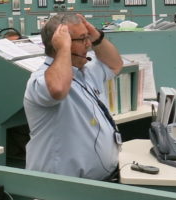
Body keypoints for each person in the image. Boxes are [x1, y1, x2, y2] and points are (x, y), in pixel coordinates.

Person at [23, 12, 124, 180]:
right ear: (63, 44)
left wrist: (97, 37)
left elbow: (115, 64)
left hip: (98, 181)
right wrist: (62, 49)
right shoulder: (40, 81)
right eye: (82, 39)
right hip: (60, 188)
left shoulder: (86, 71)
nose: (88, 45)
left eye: (88, 38)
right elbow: (58, 89)